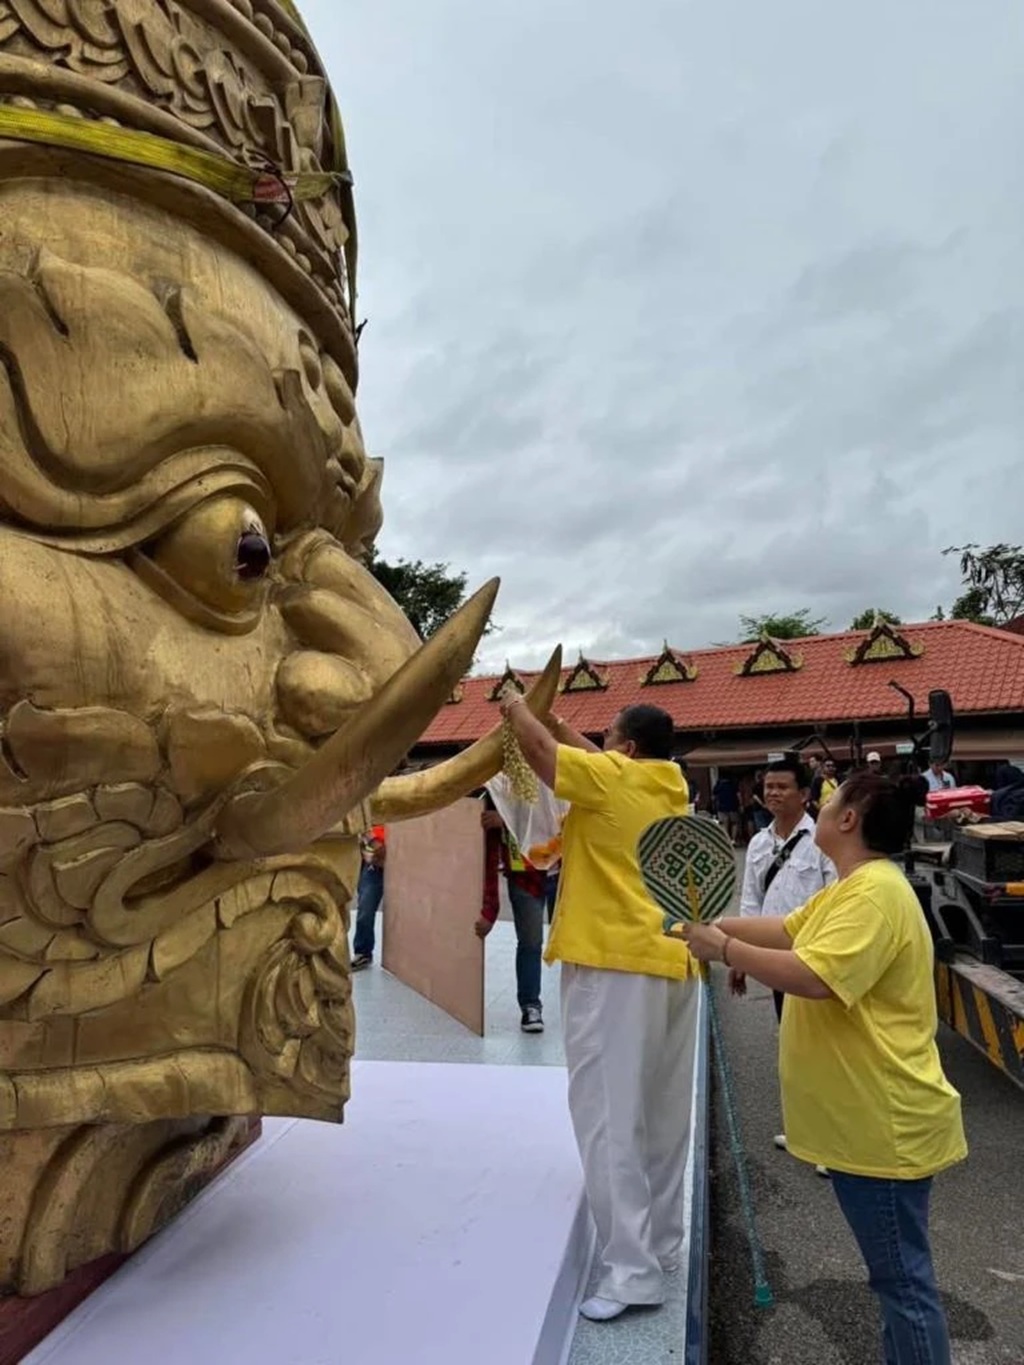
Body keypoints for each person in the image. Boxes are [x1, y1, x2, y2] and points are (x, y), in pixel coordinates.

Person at [682, 773, 967, 1365]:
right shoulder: (855, 886)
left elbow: (815, 976)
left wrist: (724, 951)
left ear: (849, 819)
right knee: (897, 1281)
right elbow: (788, 931)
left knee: (902, 1284)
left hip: (882, 1125)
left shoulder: (874, 896)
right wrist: (707, 926)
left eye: (830, 799)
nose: (820, 802)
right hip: (865, 1123)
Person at [501, 698, 697, 1324]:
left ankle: (633, 1272)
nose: (602, 748)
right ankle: (661, 1247)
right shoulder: (667, 785)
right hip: (673, 963)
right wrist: (560, 724)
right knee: (665, 1118)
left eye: (610, 739)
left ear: (628, 749)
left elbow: (542, 756)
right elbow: (585, 757)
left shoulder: (614, 778)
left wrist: (515, 707)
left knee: (609, 1118)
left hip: (614, 967)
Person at [734, 755, 835, 1174]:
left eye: (783, 787)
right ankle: (803, 1131)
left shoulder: (824, 840)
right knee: (792, 1045)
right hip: (777, 959)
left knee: (825, 1048)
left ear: (806, 794)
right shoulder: (759, 843)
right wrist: (738, 952)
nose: (773, 793)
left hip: (815, 959)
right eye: (769, 786)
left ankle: (833, 1144)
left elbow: (834, 897)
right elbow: (750, 901)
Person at [476, 794, 548, 1033]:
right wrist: (489, 907)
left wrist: (505, 820)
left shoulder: (562, 770)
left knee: (575, 944)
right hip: (525, 875)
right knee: (530, 942)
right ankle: (530, 1005)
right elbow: (488, 848)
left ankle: (585, 1008)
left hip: (565, 871)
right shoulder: (500, 786)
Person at [351, 824, 386, 970]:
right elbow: (361, 825)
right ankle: (363, 952)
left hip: (396, 859)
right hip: (374, 864)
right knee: (365, 907)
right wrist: (372, 841)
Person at [714, 772, 740, 844]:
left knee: (724, 823)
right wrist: (740, 804)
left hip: (721, 807)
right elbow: (738, 795)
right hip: (733, 806)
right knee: (734, 823)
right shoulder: (733, 784)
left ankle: (726, 839)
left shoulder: (718, 785)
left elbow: (714, 796)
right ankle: (733, 839)